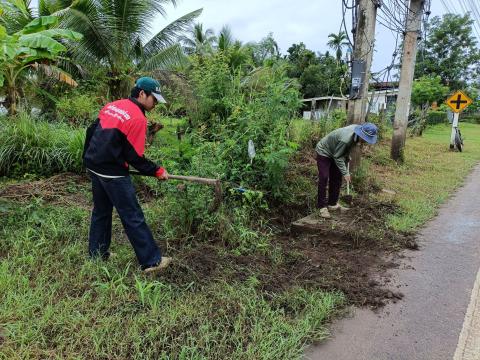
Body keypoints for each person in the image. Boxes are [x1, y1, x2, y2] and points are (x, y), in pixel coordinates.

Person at [83, 76, 172, 273]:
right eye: (154, 99)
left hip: (95, 166)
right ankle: (151, 262)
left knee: (101, 212)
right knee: (132, 216)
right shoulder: (138, 118)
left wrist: (86, 159)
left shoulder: (113, 105)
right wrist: (157, 170)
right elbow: (134, 157)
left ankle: (98, 254)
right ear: (142, 94)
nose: (155, 103)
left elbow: (91, 132)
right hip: (113, 174)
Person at [315, 122, 378, 219]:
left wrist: (347, 156)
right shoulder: (346, 139)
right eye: (365, 138)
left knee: (336, 178)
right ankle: (322, 207)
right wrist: (345, 172)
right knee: (324, 177)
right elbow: (337, 156)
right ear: (361, 133)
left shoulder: (356, 133)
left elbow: (343, 150)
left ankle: (332, 204)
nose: (365, 141)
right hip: (324, 151)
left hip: (336, 151)